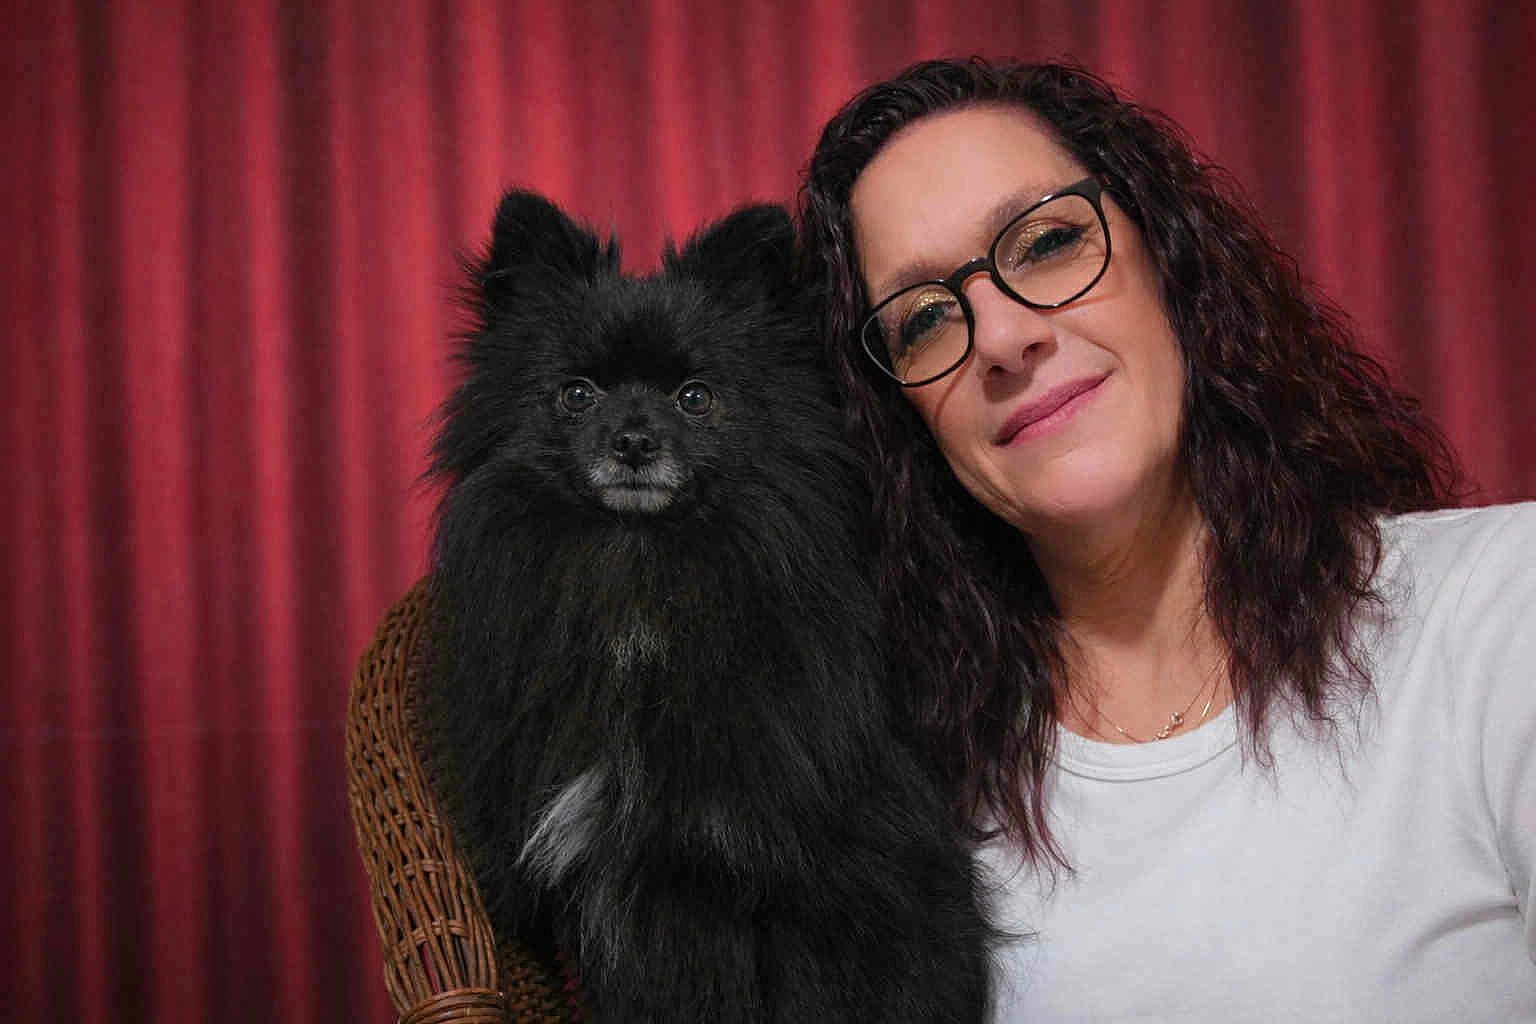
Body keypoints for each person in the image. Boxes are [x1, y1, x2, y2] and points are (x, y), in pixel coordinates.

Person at [799, 58, 1536, 1020]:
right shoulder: (896, 798)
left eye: (1048, 241)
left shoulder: (1499, 615)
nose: (1001, 336)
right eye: (924, 317)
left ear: (1170, 257)